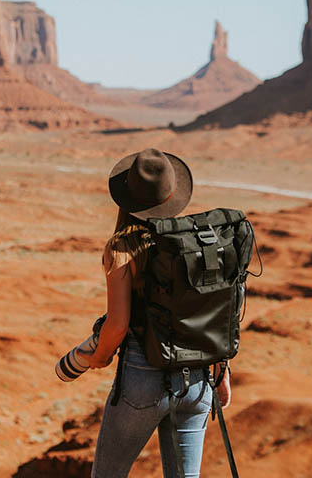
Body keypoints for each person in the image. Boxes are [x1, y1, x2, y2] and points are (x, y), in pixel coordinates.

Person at [81, 148, 231, 478]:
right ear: (174, 195)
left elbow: (117, 324)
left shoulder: (122, 247)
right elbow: (214, 314)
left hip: (142, 379)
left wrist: (97, 357)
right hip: (198, 382)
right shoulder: (196, 244)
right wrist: (221, 372)